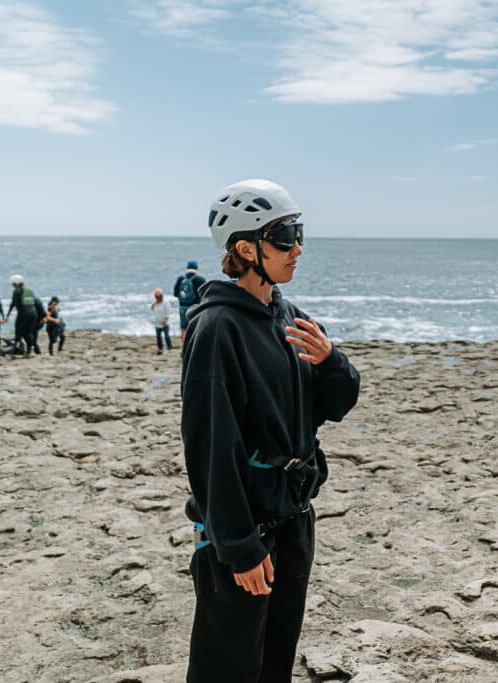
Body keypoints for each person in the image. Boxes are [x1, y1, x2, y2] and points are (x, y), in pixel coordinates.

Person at [182, 179, 360, 682]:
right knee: (229, 667)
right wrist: (238, 545)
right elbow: (211, 446)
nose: (297, 247)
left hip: (294, 517)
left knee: (276, 660)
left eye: (299, 232)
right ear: (245, 248)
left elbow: (336, 405)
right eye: (284, 236)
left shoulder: (288, 314)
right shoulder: (217, 328)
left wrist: (331, 362)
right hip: (246, 530)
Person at [174, 259, 206, 345]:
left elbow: (176, 294)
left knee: (184, 329)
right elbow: (203, 295)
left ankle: (184, 350)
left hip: (183, 308)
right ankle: (193, 349)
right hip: (196, 308)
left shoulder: (181, 278)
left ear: (187, 267)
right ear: (197, 268)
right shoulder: (200, 279)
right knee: (195, 328)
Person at [6, 274, 38, 356]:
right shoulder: (30, 290)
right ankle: (29, 350)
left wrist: (7, 315)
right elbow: (35, 301)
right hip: (33, 313)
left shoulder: (17, 290)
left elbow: (14, 303)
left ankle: (16, 349)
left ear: (14, 283)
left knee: (19, 332)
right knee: (29, 332)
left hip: (23, 313)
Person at [149, 288, 172, 354]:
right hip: (157, 322)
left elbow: (168, 312)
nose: (158, 297)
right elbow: (152, 308)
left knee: (166, 335)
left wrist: (165, 320)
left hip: (165, 322)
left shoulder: (166, 302)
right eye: (157, 296)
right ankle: (160, 348)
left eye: (159, 296)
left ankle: (169, 347)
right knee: (158, 336)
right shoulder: (155, 302)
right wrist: (154, 303)